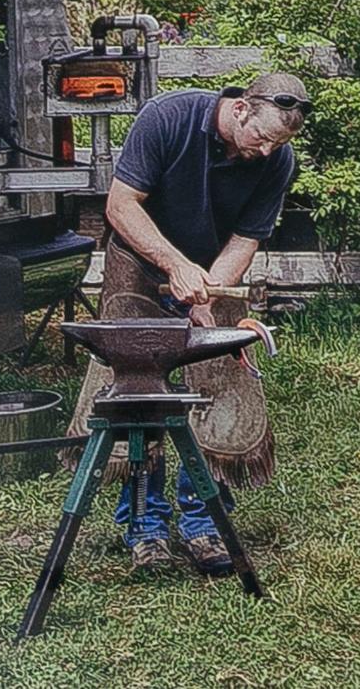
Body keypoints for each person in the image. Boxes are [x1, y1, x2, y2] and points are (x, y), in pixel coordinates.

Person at [65, 73, 307, 575]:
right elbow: (120, 205)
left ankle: (201, 523)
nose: (265, 153)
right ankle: (146, 529)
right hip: (139, 261)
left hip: (210, 266)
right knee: (136, 396)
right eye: (261, 139)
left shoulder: (276, 161)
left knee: (220, 391)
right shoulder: (167, 118)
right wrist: (174, 266)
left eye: (276, 145)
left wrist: (210, 294)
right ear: (241, 109)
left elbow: (245, 239)